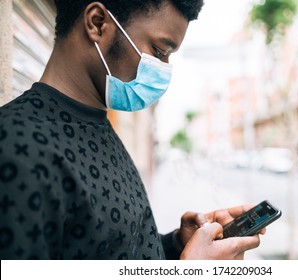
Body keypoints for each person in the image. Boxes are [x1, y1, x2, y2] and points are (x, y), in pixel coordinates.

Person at [0, 0, 265, 260]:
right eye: (159, 51)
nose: (164, 69)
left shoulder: (99, 125)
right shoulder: (15, 148)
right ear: (98, 23)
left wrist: (175, 246)